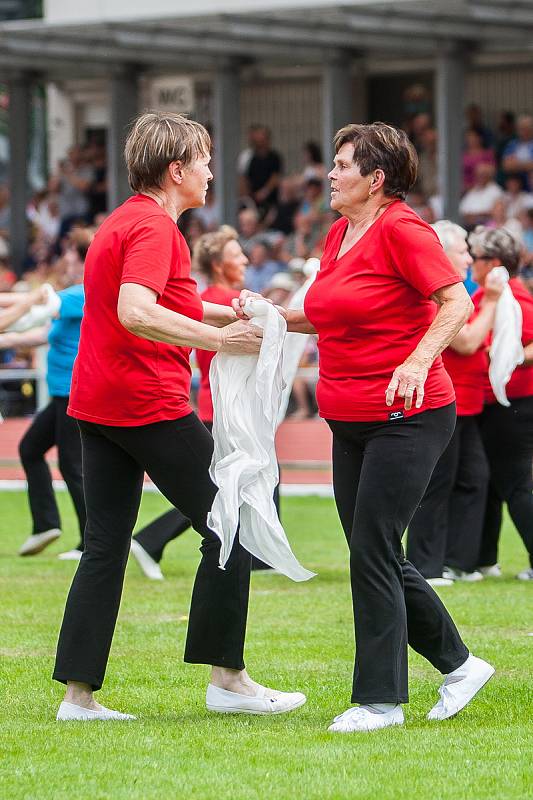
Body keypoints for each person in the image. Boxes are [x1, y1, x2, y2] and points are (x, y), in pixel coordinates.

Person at [237, 122, 495, 733]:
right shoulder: (337, 233)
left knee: (372, 549)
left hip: (409, 415)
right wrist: (270, 319)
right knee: (369, 548)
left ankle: (379, 701)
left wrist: (415, 360)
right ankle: (460, 666)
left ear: (376, 180)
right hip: (349, 418)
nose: (330, 173)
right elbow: (324, 312)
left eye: (343, 164)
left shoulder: (404, 229)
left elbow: (456, 302)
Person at [53, 112, 306, 722]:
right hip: (146, 403)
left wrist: (237, 318)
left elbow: (169, 305)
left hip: (100, 403)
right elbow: (136, 310)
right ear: (177, 170)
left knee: (105, 546)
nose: (212, 170)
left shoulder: (123, 221)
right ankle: (228, 680)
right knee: (234, 520)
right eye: (205, 159)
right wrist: (223, 342)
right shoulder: (155, 228)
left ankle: (78, 698)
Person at [131, 226, 278, 578]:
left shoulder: (229, 299)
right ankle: (151, 539)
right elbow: (217, 352)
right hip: (223, 408)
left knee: (237, 480)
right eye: (235, 254)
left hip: (230, 406)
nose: (244, 259)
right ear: (217, 263)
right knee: (214, 487)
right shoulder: (217, 298)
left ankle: (260, 554)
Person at [406, 221, 504, 584]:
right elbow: (466, 341)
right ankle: (427, 565)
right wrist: (492, 300)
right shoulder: (435, 291)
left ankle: (458, 560)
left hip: (466, 402)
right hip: (440, 399)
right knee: (436, 483)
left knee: (473, 478)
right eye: (462, 249)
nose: (468, 257)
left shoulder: (456, 290)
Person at [0, 230, 92, 559]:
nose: (64, 260)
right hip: (61, 395)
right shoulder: (69, 299)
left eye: (70, 254)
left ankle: (89, 542)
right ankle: (47, 525)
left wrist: (29, 297)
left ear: (83, 259)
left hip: (73, 392)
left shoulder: (82, 293)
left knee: (72, 465)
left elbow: (33, 304)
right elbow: (42, 333)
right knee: (30, 449)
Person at [469, 226, 533, 580]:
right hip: (498, 403)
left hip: (515, 403)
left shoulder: (515, 298)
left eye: (475, 258)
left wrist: (508, 356)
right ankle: (484, 558)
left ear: (492, 262)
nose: (470, 264)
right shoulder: (493, 294)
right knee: (492, 483)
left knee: (514, 485)